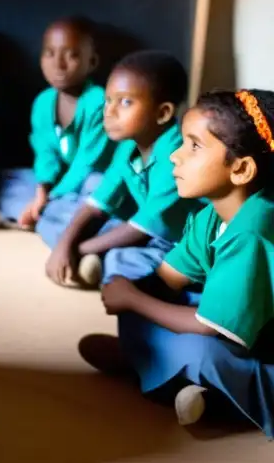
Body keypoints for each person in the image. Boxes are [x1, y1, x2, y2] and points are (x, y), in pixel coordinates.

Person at [81, 89, 274, 435]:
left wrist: (133, 299)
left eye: (194, 146)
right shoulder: (211, 215)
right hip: (242, 329)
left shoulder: (254, 228)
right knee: (146, 292)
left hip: (266, 350)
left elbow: (209, 326)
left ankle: (214, 398)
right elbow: (167, 278)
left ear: (242, 169)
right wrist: (128, 292)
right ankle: (154, 364)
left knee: (203, 350)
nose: (174, 156)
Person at [45, 50, 200, 288]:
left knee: (128, 262)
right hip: (143, 229)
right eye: (108, 100)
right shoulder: (128, 146)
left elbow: (145, 229)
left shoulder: (177, 154)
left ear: (163, 113)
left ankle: (97, 261)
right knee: (56, 216)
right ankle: (93, 260)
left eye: (125, 102)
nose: (109, 111)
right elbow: (98, 203)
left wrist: (74, 249)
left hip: (180, 243)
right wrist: (65, 244)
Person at [0, 19, 113, 236]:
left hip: (87, 180)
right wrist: (42, 189)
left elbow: (86, 164)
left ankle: (42, 218)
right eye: (50, 53)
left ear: (92, 62)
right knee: (9, 180)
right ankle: (50, 217)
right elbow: (45, 153)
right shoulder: (43, 102)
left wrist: (50, 197)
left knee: (99, 187)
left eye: (72, 55)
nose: (58, 64)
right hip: (60, 184)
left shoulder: (98, 102)